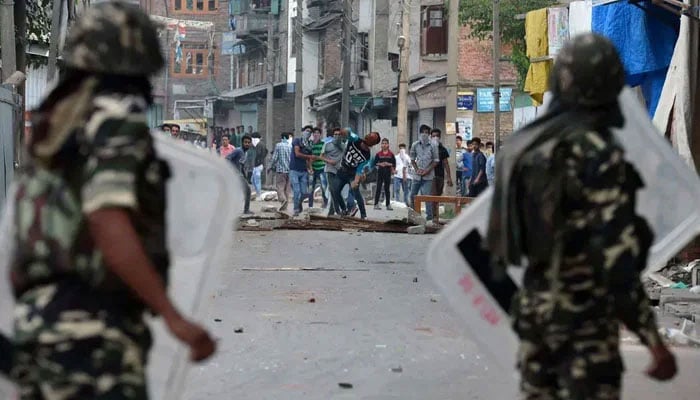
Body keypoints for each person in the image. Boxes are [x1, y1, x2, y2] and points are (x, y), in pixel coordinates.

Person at [7, 3, 216, 399]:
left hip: (38, 331)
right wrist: (174, 319)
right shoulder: (115, 117)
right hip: (93, 337)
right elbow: (108, 220)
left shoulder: (58, 128)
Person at [487, 33, 676, 400]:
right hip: (585, 328)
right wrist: (653, 341)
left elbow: (502, 249)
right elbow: (617, 261)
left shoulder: (520, 149)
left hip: (535, 320)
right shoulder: (599, 154)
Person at [330, 129, 381, 220]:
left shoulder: (367, 156)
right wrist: (344, 131)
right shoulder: (355, 139)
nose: (369, 137)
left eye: (372, 138)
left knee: (356, 194)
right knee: (335, 190)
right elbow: (349, 132)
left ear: (373, 143)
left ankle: (363, 215)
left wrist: (356, 181)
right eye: (370, 135)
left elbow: (359, 169)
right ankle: (344, 209)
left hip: (352, 174)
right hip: (342, 170)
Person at [409, 124, 439, 222]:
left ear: (429, 135)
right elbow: (412, 159)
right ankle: (415, 216)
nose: (425, 134)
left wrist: (427, 170)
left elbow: (436, 160)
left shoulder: (433, 145)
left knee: (427, 197)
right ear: (420, 133)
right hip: (417, 175)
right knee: (413, 195)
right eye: (423, 132)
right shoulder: (415, 145)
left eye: (427, 133)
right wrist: (416, 169)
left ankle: (429, 217)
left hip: (428, 176)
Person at [289, 126, 319, 216]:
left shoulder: (309, 144)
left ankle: (298, 204)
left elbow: (309, 159)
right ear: (303, 132)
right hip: (294, 169)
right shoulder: (297, 141)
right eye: (307, 131)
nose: (308, 133)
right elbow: (297, 154)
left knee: (304, 192)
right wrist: (310, 157)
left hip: (304, 170)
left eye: (310, 132)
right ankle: (296, 209)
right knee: (297, 191)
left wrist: (310, 168)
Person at [226, 135, 254, 214]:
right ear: (242, 143)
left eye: (248, 142)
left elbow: (241, 165)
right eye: (245, 142)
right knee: (247, 191)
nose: (247, 144)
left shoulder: (245, 153)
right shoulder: (238, 150)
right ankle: (246, 210)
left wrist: (245, 176)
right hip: (235, 175)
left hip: (239, 175)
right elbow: (227, 158)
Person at [430, 128, 453, 218]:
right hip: (431, 176)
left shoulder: (442, 149)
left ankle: (435, 216)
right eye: (433, 136)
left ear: (440, 137)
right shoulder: (428, 148)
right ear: (430, 137)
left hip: (440, 176)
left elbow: (446, 163)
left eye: (437, 136)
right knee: (433, 197)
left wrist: (449, 177)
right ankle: (433, 216)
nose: (435, 138)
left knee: (438, 197)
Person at [269, 133, 292, 212]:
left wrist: (270, 166)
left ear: (282, 137)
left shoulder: (278, 145)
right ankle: (285, 207)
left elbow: (275, 158)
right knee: (287, 189)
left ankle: (283, 200)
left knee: (280, 187)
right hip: (290, 170)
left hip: (281, 170)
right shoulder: (290, 146)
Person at [372, 138, 396, 210]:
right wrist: (380, 164)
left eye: (386, 143)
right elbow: (375, 163)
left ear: (388, 145)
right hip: (380, 173)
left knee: (387, 189)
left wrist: (388, 164)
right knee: (378, 188)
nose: (384, 145)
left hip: (388, 173)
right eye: (383, 143)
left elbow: (393, 164)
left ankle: (388, 204)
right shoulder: (378, 154)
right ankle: (376, 204)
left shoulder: (391, 154)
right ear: (381, 145)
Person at [309, 128, 328, 208]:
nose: (316, 134)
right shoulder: (310, 144)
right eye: (315, 133)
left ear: (320, 135)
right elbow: (308, 156)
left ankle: (326, 204)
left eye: (318, 133)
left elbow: (322, 156)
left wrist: (313, 157)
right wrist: (310, 166)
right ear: (313, 134)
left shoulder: (323, 144)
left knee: (324, 188)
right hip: (312, 169)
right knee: (310, 189)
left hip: (322, 168)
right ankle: (310, 206)